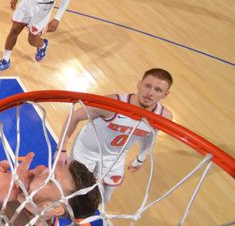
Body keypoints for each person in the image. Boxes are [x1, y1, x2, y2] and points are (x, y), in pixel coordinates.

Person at [57, 68, 173, 204]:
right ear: (139, 84)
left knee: (106, 192)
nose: (150, 93)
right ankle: (65, 210)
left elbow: (150, 135)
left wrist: (141, 158)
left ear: (165, 94)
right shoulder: (112, 103)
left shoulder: (164, 116)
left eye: (158, 90)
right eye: (148, 86)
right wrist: (62, 149)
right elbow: (75, 116)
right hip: (87, 149)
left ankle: (89, 214)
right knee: (76, 187)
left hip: (115, 155)